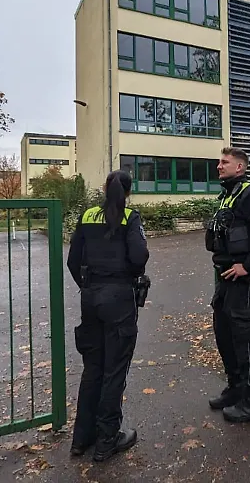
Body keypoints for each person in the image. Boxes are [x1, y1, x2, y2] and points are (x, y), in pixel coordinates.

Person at [67, 170, 149, 462]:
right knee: (114, 371)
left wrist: (90, 287)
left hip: (90, 298)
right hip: (118, 300)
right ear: (128, 191)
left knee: (93, 369)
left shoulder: (88, 215)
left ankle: (81, 439)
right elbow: (139, 258)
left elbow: (73, 260)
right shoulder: (130, 217)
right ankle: (106, 440)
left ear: (104, 188)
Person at [205, 146, 250, 422]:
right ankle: (236, 390)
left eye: (224, 162)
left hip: (244, 281)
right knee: (225, 334)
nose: (219, 166)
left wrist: (247, 266)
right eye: (219, 161)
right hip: (226, 277)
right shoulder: (228, 195)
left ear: (240, 167)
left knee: (246, 340)